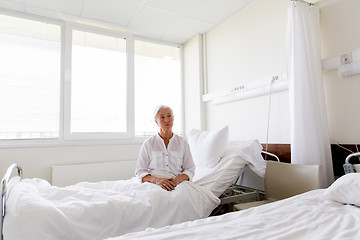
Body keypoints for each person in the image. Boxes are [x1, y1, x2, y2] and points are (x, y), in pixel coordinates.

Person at [135, 105, 195, 191]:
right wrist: (157, 181)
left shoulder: (183, 143)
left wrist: (175, 181)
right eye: (162, 117)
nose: (166, 120)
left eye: (169, 116)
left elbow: (190, 169)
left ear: (173, 118)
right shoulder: (148, 144)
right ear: (156, 122)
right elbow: (140, 171)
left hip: (177, 183)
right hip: (154, 183)